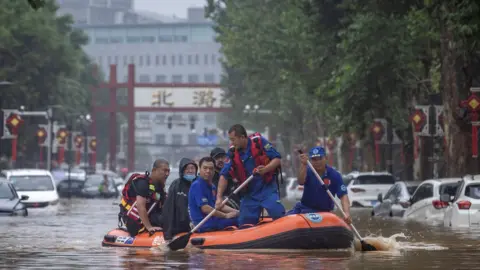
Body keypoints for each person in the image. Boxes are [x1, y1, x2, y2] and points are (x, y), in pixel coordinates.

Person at [216, 124, 285, 227]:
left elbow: (277, 159)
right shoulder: (232, 153)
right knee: (245, 224)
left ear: (242, 137)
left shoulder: (259, 142)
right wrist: (219, 197)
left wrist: (265, 169)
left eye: (233, 139)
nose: (232, 143)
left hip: (267, 189)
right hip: (249, 194)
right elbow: (223, 176)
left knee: (278, 213)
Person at [286, 146, 352, 224]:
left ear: (325, 158)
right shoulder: (307, 170)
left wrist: (346, 213)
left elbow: (343, 196)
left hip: (324, 213)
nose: (317, 162)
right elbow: (300, 181)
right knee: (285, 220)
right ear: (310, 160)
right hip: (305, 208)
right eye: (314, 159)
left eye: (320, 158)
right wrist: (303, 165)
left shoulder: (335, 175)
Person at [118, 159, 170, 236]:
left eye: (168, 171)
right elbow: (140, 206)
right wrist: (149, 227)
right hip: (133, 220)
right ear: (154, 170)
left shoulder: (160, 187)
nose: (167, 174)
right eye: (164, 170)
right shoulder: (142, 183)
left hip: (150, 216)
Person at [188, 157, 239, 232]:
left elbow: (219, 206)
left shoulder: (212, 186)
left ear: (214, 170)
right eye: (205, 168)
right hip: (204, 224)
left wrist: (237, 211)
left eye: (211, 168)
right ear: (200, 169)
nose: (208, 171)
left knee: (240, 216)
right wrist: (226, 215)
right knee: (239, 221)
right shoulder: (197, 185)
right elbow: (205, 208)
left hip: (213, 220)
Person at [162, 158, 198, 241]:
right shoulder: (176, 185)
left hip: (196, 225)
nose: (190, 171)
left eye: (192, 168)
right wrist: (168, 234)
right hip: (179, 227)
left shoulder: (199, 184)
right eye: (187, 169)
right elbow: (169, 209)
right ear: (182, 170)